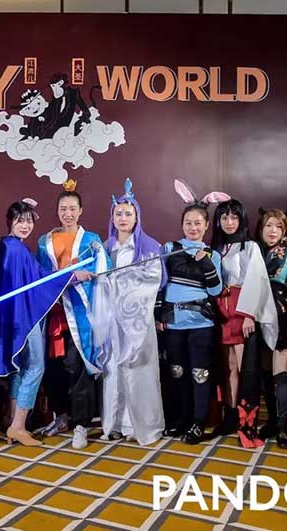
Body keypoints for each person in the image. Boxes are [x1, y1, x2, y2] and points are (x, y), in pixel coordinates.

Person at [0, 198, 74, 447]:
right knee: (36, 366)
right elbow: (40, 280)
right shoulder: (16, 250)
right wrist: (70, 274)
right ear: (10, 222)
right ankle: (18, 426)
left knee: (21, 368)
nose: (25, 226)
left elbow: (36, 278)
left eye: (29, 221)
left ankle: (12, 421)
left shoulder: (10, 246)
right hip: (25, 317)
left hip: (15, 317)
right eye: (20, 221)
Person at [92, 179, 165, 445]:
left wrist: (119, 285)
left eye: (128, 214)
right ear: (112, 217)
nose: (123, 218)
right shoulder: (105, 248)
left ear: (137, 217)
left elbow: (151, 281)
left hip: (137, 321)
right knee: (113, 371)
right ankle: (113, 423)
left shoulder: (149, 247)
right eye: (118, 214)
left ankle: (140, 426)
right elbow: (98, 282)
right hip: (111, 321)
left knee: (139, 370)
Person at [35, 179, 106, 450]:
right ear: (57, 211)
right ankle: (61, 416)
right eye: (63, 208)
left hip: (80, 311)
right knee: (54, 369)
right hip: (54, 312)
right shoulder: (45, 242)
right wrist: (65, 277)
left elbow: (102, 269)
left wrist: (85, 275)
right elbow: (41, 275)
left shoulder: (92, 240)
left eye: (72, 208)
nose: (68, 213)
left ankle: (81, 424)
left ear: (81, 211)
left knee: (78, 367)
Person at [156, 180, 227, 445]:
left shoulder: (212, 254)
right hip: (173, 324)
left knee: (200, 373)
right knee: (177, 372)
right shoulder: (169, 248)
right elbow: (159, 284)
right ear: (182, 224)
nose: (193, 227)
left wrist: (206, 264)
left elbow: (216, 290)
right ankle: (181, 419)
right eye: (188, 223)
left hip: (201, 324)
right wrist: (159, 316)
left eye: (198, 223)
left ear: (207, 226)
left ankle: (198, 422)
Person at [211, 199, 278, 449]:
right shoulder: (215, 248)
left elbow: (257, 280)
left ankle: (246, 423)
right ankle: (229, 415)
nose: (229, 222)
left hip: (242, 308)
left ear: (241, 220)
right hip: (221, 309)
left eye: (234, 217)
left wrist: (250, 314)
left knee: (245, 368)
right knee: (227, 367)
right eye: (224, 218)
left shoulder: (250, 247)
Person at [255, 208, 287, 449]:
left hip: (283, 317)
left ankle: (283, 429)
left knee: (281, 374)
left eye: (278, 226)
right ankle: (272, 421)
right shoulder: (254, 252)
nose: (273, 231)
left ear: (284, 231)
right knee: (265, 372)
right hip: (258, 317)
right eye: (268, 226)